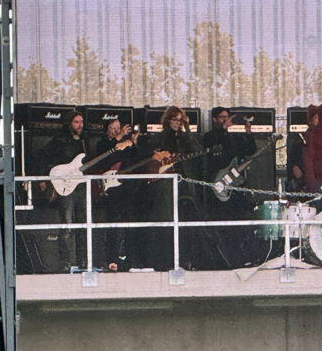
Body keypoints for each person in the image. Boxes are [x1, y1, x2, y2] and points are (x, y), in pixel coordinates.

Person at [139, 106, 203, 270]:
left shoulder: (183, 137)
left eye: (180, 120)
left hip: (182, 182)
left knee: (185, 219)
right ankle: (164, 260)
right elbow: (149, 158)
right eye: (175, 119)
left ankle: (184, 259)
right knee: (166, 219)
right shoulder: (159, 138)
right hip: (165, 183)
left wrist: (187, 129)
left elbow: (197, 151)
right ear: (168, 120)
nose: (178, 123)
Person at [202, 107, 259, 268]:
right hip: (216, 188)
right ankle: (223, 261)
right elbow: (214, 157)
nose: (225, 120)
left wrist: (248, 132)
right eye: (222, 117)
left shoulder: (233, 138)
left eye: (227, 117)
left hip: (232, 188)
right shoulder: (209, 137)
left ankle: (242, 258)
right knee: (221, 226)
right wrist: (224, 129)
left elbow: (250, 151)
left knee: (238, 223)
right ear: (214, 119)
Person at [38, 111, 88, 272]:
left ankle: (83, 262)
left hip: (80, 186)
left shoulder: (84, 142)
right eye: (76, 122)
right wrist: (45, 177)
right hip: (65, 186)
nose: (79, 125)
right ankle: (65, 262)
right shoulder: (59, 140)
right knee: (66, 225)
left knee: (83, 225)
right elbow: (43, 157)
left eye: (81, 122)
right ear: (69, 124)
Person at [91, 118, 138, 271]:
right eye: (113, 128)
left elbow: (134, 159)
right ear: (107, 130)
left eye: (119, 127)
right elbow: (104, 158)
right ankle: (111, 258)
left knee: (127, 222)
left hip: (125, 188)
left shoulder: (126, 144)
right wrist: (118, 139)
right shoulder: (102, 143)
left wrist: (134, 141)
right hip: (109, 190)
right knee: (112, 223)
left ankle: (126, 257)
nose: (117, 130)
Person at [286, 103, 319, 193]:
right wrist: (302, 181)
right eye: (318, 117)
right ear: (311, 120)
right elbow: (295, 166)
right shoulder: (303, 138)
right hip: (306, 183)